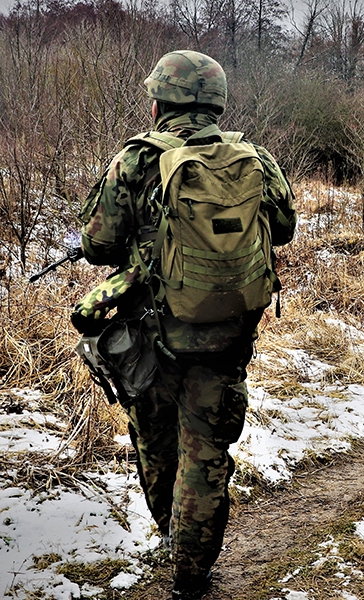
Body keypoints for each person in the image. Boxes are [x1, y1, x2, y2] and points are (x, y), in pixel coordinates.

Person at [78, 50, 296, 599]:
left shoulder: (135, 160)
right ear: (216, 102)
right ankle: (192, 572)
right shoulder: (256, 159)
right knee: (207, 453)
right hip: (227, 335)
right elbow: (285, 228)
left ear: (159, 103)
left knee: (156, 446)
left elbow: (98, 245)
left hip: (152, 338)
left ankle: (174, 535)